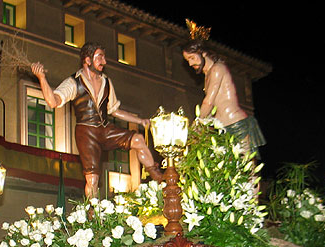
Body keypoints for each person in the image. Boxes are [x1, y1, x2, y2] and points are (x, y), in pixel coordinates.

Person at [31, 42, 163, 197]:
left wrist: (139, 121)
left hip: (105, 129)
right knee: (92, 179)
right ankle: (92, 215)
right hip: (86, 133)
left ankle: (158, 178)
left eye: (104, 57)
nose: (104, 62)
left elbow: (114, 110)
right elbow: (53, 101)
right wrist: (42, 78)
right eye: (100, 57)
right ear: (87, 60)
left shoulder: (106, 81)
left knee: (138, 140)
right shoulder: (74, 82)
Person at [182, 39, 265, 157]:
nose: (190, 64)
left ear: (203, 53)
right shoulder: (208, 75)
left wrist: (199, 122)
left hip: (236, 124)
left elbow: (208, 102)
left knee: (247, 169)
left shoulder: (217, 69)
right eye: (188, 60)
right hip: (223, 128)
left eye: (192, 58)